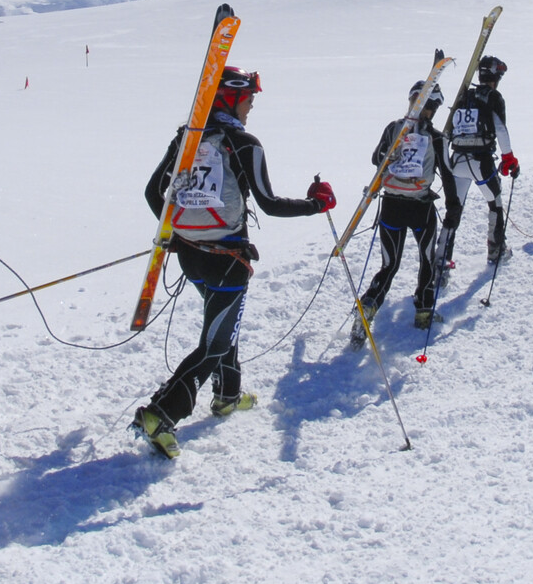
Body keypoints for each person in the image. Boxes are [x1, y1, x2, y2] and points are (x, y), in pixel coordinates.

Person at [134, 68, 333, 459]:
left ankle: (227, 394)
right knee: (214, 342)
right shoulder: (244, 143)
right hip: (228, 258)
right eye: (249, 98)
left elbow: (152, 193)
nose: (252, 104)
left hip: (192, 256)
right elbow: (270, 205)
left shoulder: (187, 139)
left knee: (223, 323)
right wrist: (317, 204)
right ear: (230, 98)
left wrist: (176, 233)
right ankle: (162, 413)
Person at [353, 81, 462, 339]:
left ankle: (369, 304)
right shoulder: (436, 137)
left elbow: (376, 159)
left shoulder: (393, 128)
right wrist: (453, 206)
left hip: (391, 206)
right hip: (420, 208)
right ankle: (424, 310)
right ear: (432, 107)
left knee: (389, 265)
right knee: (426, 260)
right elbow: (447, 173)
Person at [443, 55, 521, 265]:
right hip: (481, 161)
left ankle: (442, 258)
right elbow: (501, 130)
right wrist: (509, 159)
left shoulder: (464, 96)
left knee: (454, 209)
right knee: (495, 203)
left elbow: (448, 131)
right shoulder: (494, 97)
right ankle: (496, 251)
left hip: (457, 160)